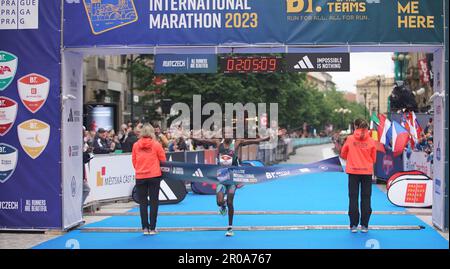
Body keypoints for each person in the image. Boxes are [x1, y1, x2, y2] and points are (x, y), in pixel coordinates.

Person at [192, 130, 269, 237]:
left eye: (230, 134)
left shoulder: (236, 143)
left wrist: (264, 139)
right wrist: (193, 138)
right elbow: (204, 141)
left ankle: (230, 228)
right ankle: (222, 206)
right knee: (219, 202)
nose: (228, 135)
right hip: (222, 178)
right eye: (226, 133)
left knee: (230, 202)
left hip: (233, 178)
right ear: (223, 135)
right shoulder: (218, 143)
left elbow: (253, 141)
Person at [340, 119, 377, 233]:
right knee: (366, 198)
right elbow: (374, 158)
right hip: (366, 172)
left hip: (353, 171)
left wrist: (351, 159)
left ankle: (353, 225)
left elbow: (343, 153)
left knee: (353, 197)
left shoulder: (350, 139)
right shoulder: (371, 141)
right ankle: (365, 225)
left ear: (355, 126)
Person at [132, 124, 166, 235]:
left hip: (140, 176)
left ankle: (145, 228)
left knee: (142, 203)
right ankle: (152, 228)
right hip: (154, 176)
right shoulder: (156, 145)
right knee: (154, 202)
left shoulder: (136, 145)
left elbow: (134, 161)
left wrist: (140, 169)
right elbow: (163, 160)